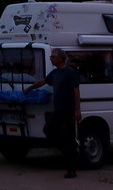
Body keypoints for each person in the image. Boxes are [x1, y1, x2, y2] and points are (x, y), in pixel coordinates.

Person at [26, 47, 82, 178]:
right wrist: (30, 88)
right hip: (58, 110)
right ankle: (69, 152)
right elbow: (43, 81)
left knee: (69, 138)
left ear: (60, 58)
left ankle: (71, 169)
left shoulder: (69, 72)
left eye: (53, 56)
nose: (51, 58)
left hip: (68, 111)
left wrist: (77, 110)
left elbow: (76, 91)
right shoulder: (55, 73)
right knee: (48, 130)